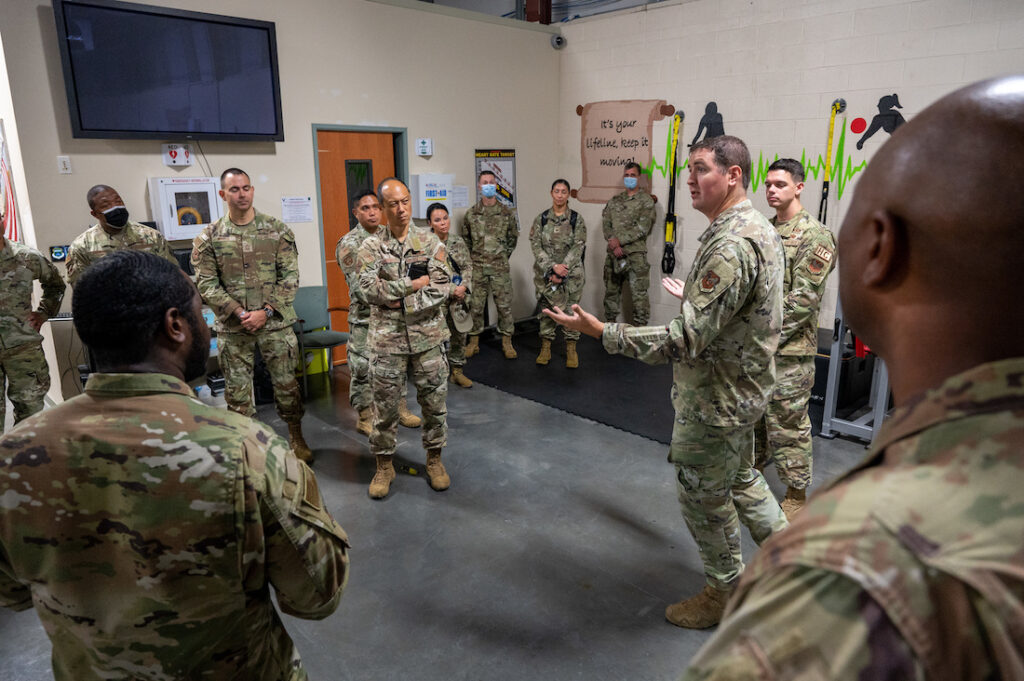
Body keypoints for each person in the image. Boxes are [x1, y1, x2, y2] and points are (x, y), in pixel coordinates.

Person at [682, 75, 1024, 680]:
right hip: (757, 365)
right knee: (747, 461)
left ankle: (775, 514)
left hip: (778, 360)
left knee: (780, 439)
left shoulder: (855, 565)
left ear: (881, 249)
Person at [0, 250, 350, 681]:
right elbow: (317, 594)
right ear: (176, 325)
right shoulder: (248, 451)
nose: (205, 324)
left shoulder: (12, 457)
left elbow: (11, 592)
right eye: (201, 313)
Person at [545, 135, 788, 629]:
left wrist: (604, 332)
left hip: (716, 399)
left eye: (701, 169)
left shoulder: (733, 243)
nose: (691, 180)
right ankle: (799, 563)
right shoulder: (754, 228)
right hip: (742, 390)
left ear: (734, 174)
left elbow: (686, 340)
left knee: (703, 493)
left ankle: (725, 591)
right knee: (741, 478)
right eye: (689, 169)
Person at [191, 168, 312, 461]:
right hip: (235, 329)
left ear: (253, 190)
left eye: (246, 188)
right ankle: (248, 448)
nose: (242, 194)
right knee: (238, 396)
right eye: (234, 189)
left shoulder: (277, 230)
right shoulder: (209, 236)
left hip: (276, 326)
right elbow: (206, 283)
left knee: (287, 387)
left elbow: (290, 277)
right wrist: (239, 312)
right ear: (223, 194)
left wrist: (266, 312)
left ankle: (296, 437)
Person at [358, 178, 452, 498]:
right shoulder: (371, 246)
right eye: (393, 204)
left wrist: (401, 301)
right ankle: (384, 466)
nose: (401, 209)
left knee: (434, 403)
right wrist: (410, 286)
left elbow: (441, 285)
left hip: (428, 337)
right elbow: (366, 289)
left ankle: (435, 460)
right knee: (384, 409)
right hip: (387, 340)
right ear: (383, 208)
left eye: (405, 201)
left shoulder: (429, 242)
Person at [754, 158, 836, 518]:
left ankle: (796, 493)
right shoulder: (764, 232)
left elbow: (803, 300)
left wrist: (764, 337)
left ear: (799, 187)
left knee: (788, 422)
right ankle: (750, 475)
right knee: (753, 417)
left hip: (790, 351)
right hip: (757, 347)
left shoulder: (816, 237)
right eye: (769, 184)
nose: (772, 190)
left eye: (780, 185)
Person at [336, 190, 423, 433]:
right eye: (365, 208)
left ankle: (401, 408)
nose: (372, 212)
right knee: (362, 367)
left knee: (397, 364)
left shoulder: (392, 238)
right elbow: (360, 287)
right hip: (366, 316)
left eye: (376, 206)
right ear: (356, 213)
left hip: (394, 315)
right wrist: (393, 295)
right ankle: (365, 415)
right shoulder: (350, 244)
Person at [0, 229, 65, 432]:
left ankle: (28, 459)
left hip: (23, 349)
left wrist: (44, 313)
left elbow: (56, 285)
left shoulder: (27, 257)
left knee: (33, 414)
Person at [66, 184, 176, 285]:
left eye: (118, 201)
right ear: (95, 214)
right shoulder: (82, 247)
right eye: (106, 205)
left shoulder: (152, 236)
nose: (115, 207)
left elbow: (172, 276)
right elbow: (82, 290)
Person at [530, 178, 587, 368]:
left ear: (568, 195)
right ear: (551, 193)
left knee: (571, 310)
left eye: (564, 191)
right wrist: (552, 267)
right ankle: (545, 347)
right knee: (547, 310)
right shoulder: (542, 219)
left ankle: (571, 349)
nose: (560, 195)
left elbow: (578, 246)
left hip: (571, 275)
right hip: (548, 274)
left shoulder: (576, 219)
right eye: (557, 191)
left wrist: (563, 268)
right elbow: (536, 246)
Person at [463, 170, 519, 360]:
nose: (488, 185)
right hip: (477, 268)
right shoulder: (471, 214)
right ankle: (473, 341)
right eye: (484, 182)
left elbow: (513, 239)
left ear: (496, 186)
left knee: (504, 306)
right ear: (479, 186)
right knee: (475, 306)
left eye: (491, 182)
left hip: (499, 268)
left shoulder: (506, 213)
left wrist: (502, 256)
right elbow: (466, 240)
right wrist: (475, 258)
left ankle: (507, 341)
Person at [602, 161, 656, 325]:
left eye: (633, 175)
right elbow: (606, 223)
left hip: (635, 257)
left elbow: (643, 228)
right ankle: (610, 331)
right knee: (611, 293)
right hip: (613, 255)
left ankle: (640, 334)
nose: (629, 178)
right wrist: (613, 242)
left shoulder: (646, 201)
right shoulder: (615, 201)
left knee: (639, 296)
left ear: (639, 177)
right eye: (626, 175)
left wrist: (621, 241)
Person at [427, 202, 473, 388]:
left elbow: (467, 267)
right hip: (437, 300)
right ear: (430, 223)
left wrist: (463, 287)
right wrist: (449, 290)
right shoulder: (426, 245)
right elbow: (425, 275)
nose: (443, 223)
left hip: (458, 297)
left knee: (459, 335)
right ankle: (435, 375)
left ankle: (457, 371)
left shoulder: (458, 242)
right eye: (437, 220)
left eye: (445, 218)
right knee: (435, 337)